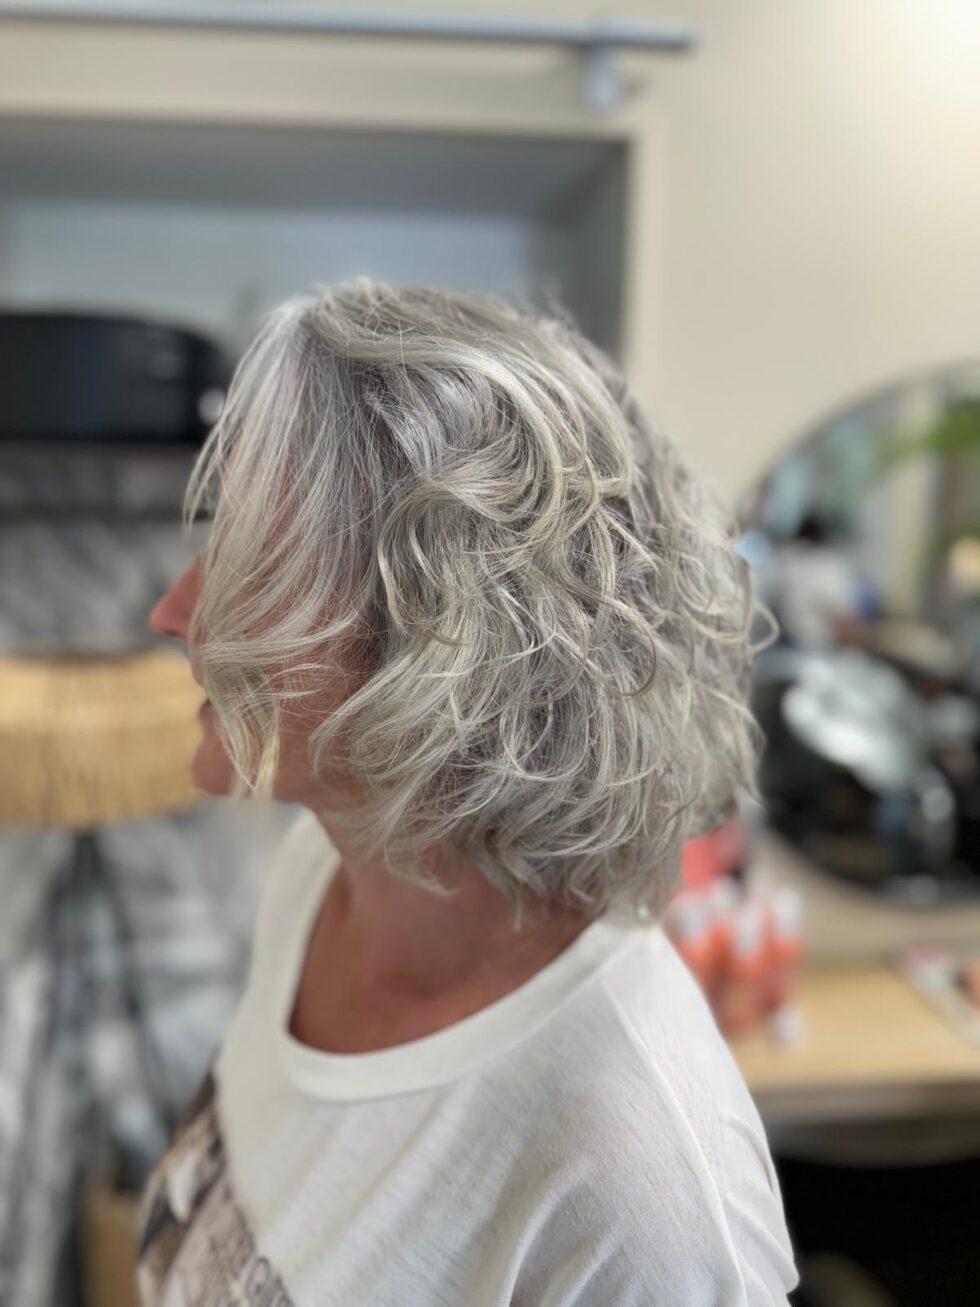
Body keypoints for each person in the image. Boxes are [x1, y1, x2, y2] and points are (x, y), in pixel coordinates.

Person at [141, 280, 798, 1305]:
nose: (174, 610)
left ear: (445, 645)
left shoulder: (637, 1188)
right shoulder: (324, 871)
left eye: (254, 565)